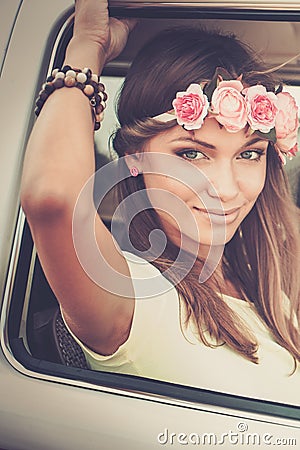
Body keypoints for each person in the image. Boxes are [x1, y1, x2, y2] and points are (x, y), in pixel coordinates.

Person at [20, 0, 300, 403]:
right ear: (135, 160)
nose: (224, 188)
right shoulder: (128, 294)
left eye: (249, 154)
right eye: (191, 154)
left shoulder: (271, 292)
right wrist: (88, 45)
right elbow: (53, 197)